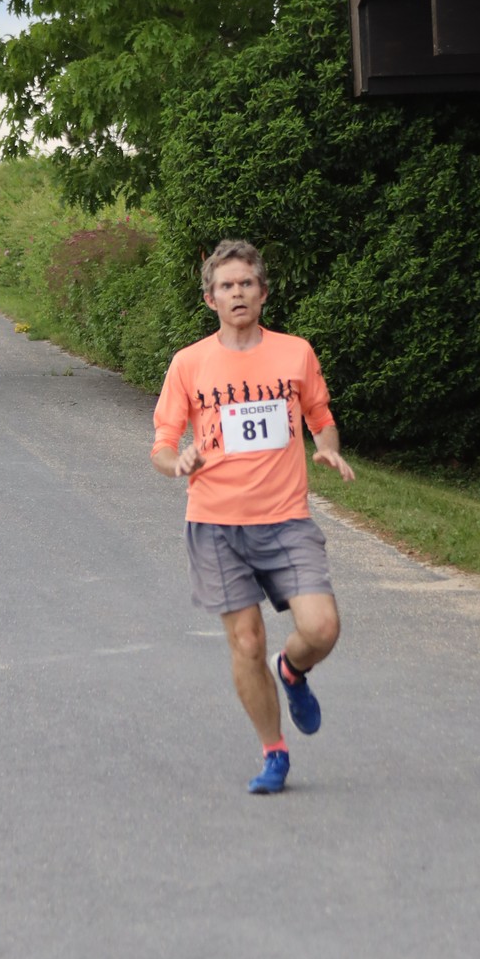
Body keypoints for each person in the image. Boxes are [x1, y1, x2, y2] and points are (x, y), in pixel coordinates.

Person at [152, 239, 354, 795]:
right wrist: (178, 461)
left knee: (322, 628)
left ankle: (292, 670)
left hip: (286, 518)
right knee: (246, 642)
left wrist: (328, 447)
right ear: (210, 299)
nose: (237, 293)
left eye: (246, 283)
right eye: (226, 286)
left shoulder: (295, 353)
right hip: (216, 524)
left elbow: (320, 416)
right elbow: (162, 444)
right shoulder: (189, 363)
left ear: (263, 293)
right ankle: (274, 752)